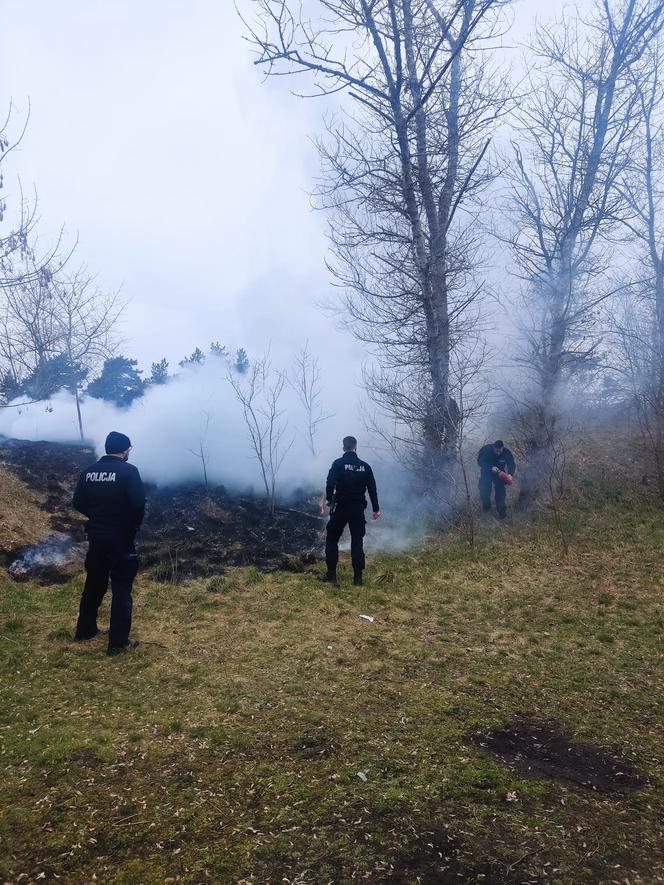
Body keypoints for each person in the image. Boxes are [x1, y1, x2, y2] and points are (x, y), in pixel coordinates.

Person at [72, 431, 146, 656]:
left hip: (97, 537)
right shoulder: (129, 471)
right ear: (124, 450)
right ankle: (118, 642)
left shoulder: (89, 472)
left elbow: (78, 502)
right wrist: (131, 527)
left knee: (94, 583)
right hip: (121, 539)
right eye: (129, 450)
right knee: (122, 587)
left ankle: (84, 630)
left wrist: (96, 516)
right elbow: (137, 505)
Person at [319, 436, 380, 586]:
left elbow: (330, 482)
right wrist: (376, 509)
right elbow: (372, 489)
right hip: (357, 509)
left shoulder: (338, 464)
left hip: (340, 507)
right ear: (355, 447)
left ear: (343, 447)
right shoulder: (365, 467)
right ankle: (358, 579)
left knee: (332, 539)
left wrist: (328, 499)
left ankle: (331, 576)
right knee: (357, 543)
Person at [477, 439, 516, 519]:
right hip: (486, 472)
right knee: (485, 489)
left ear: (502, 448)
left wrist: (510, 474)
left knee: (500, 491)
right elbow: (479, 462)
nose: (498, 453)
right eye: (496, 451)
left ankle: (501, 511)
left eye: (500, 451)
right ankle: (486, 506)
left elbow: (511, 464)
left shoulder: (506, 452)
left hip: (500, 474)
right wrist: (491, 467)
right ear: (493, 447)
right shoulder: (486, 450)